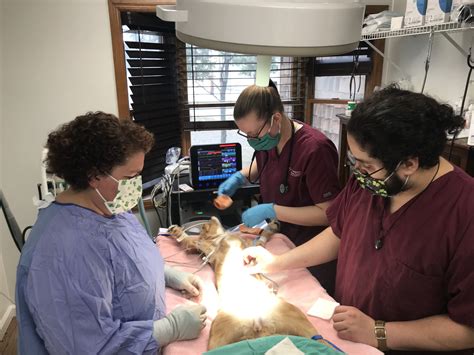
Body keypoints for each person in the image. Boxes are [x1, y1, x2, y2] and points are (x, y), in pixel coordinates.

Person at [242, 86, 474, 354]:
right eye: (354, 161)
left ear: (409, 163)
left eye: (366, 164)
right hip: (348, 337)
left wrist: (379, 332)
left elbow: (467, 329)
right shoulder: (373, 182)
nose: (358, 172)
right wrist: (276, 263)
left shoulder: (463, 212)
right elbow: (340, 234)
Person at [16, 112, 207, 355]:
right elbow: (83, 346)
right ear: (95, 175)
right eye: (130, 176)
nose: (136, 184)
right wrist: (168, 329)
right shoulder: (64, 251)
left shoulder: (109, 207)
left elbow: (127, 259)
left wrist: (164, 273)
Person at [218, 83, 341, 293]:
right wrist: (240, 176)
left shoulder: (315, 149)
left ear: (276, 118)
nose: (252, 141)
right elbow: (263, 164)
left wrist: (272, 210)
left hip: (311, 250)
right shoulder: (270, 139)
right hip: (281, 240)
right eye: (245, 134)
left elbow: (328, 214)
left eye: (254, 134)